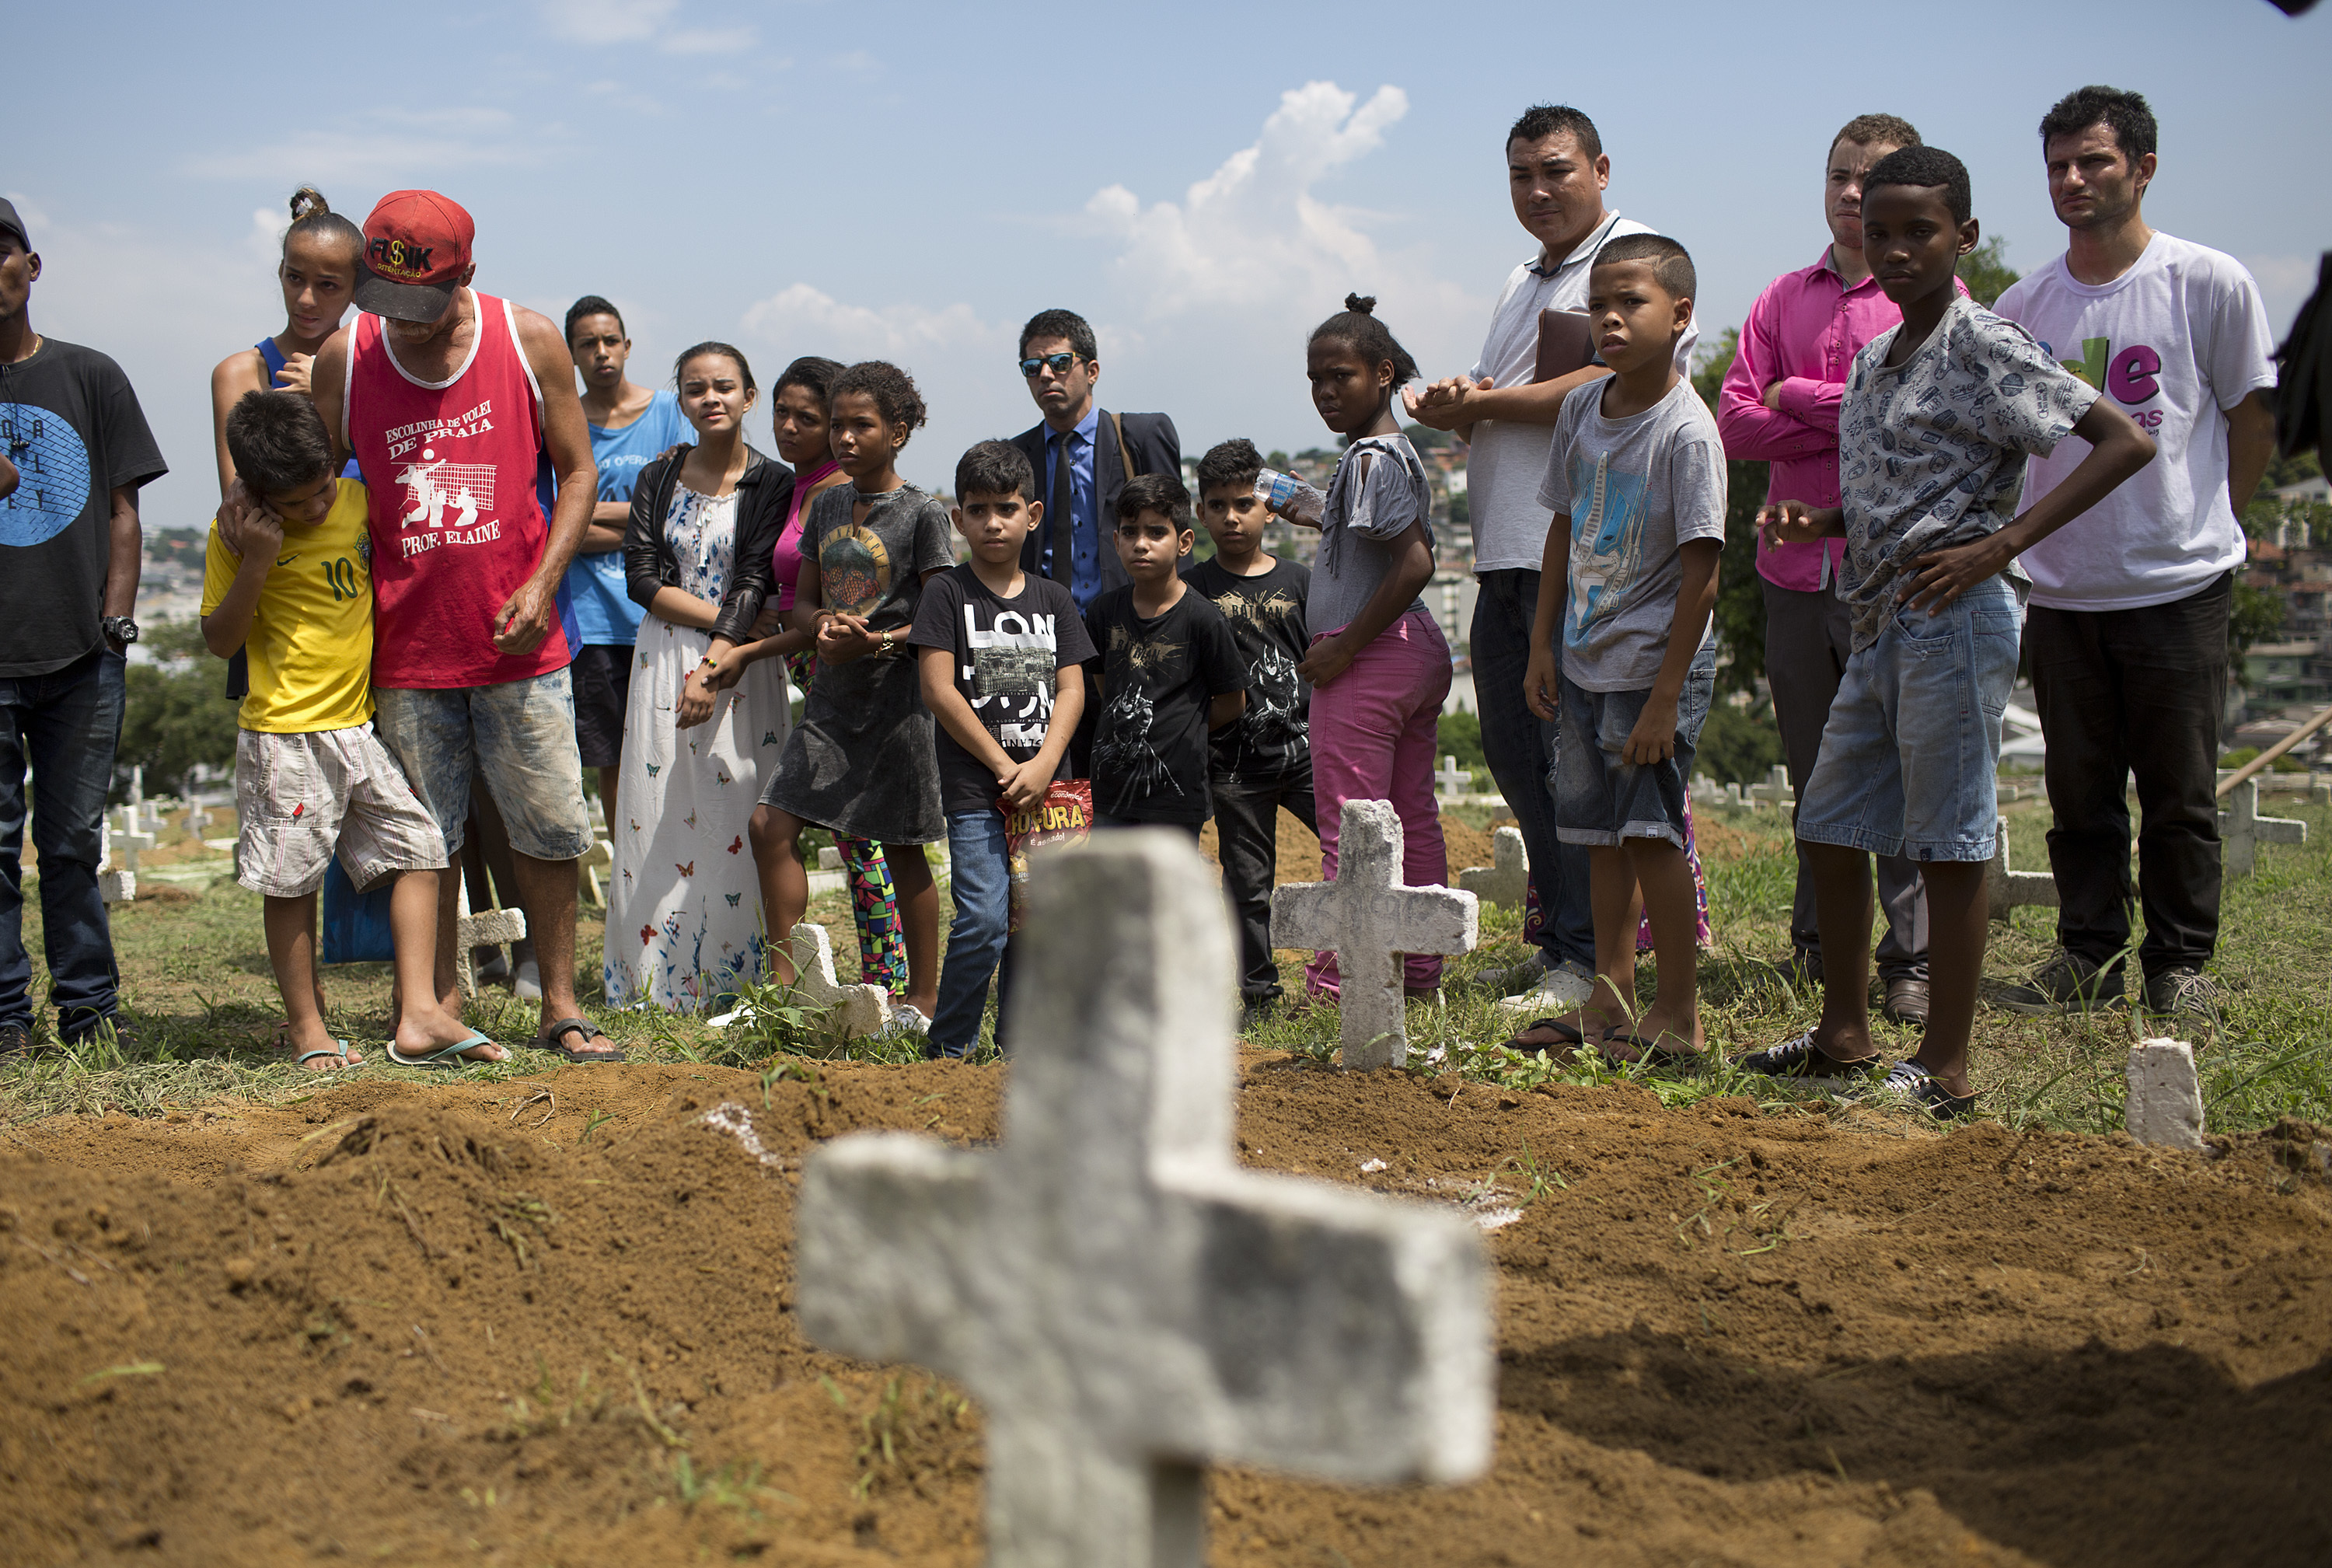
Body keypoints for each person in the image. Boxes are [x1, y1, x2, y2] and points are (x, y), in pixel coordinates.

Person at [1746, 147, 2156, 1118]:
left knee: (1948, 838)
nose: (1893, 250)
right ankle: (1844, 1034)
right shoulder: (1881, 361)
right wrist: (1827, 522)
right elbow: (1906, 486)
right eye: (1878, 231)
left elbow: (2125, 440)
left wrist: (2001, 546)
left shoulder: (1984, 342)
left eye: (1919, 231)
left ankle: (1944, 1068)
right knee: (1830, 823)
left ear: (1962, 237)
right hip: (1880, 612)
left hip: (1954, 618)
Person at [1992, 86, 2279, 1029]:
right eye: (2059, 165)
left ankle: (2180, 963)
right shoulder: (2023, 304)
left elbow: (2251, 418)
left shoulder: (2207, 281)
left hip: (2177, 582)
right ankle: (2085, 953)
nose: (2073, 180)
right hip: (2064, 591)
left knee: (2179, 793)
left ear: (2143, 169)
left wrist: (2216, 521)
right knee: (2078, 793)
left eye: (2095, 162)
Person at [309, 189, 619, 1063]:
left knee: (550, 826)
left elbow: (579, 473)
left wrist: (542, 580)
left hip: (521, 644)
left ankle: (560, 1003)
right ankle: (436, 1005)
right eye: (386, 304)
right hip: (406, 651)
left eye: (421, 306)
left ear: (467, 277)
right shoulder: (348, 353)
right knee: (424, 839)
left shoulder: (526, 339)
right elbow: (319, 484)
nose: (401, 325)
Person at [1405, 104, 1697, 1021]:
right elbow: (1521, 393)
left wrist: (1489, 404)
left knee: (1578, 769)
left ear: (1601, 168)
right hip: (1508, 547)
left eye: (1557, 171)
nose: (1539, 192)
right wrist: (1465, 401)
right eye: (1522, 176)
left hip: (1585, 557)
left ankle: (1590, 959)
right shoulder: (1521, 278)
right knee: (1520, 755)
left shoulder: (1636, 257)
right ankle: (1562, 941)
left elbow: (1601, 382)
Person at [1718, 115, 1952, 1028]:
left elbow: (1914, 423)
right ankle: (1818, 946)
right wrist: (1853, 401)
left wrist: (1800, 396)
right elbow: (1738, 424)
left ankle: (1910, 959)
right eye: (1840, 175)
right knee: (1814, 771)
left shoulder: (1930, 295)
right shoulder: (1782, 296)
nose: (1853, 193)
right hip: (1788, 572)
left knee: (1895, 767)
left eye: (1874, 177)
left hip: (1888, 571)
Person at [199, 391, 501, 1069]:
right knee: (292, 881)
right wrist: (254, 560)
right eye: (299, 501)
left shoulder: (359, 502)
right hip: (284, 735)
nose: (318, 508)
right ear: (257, 491)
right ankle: (309, 1028)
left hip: (357, 728)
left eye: (322, 489)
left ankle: (420, 1013)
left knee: (422, 848)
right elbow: (220, 640)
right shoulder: (236, 534)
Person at [1515, 235, 1724, 1064]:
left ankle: (1678, 1011)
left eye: (1630, 302)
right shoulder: (1580, 409)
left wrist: (1668, 695)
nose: (1609, 318)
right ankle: (1608, 998)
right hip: (1583, 656)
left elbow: (1704, 575)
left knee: (1651, 835)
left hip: (1652, 668)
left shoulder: (1688, 433)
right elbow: (1562, 527)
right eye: (1599, 303)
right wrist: (1542, 644)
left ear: (1679, 316)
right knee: (1598, 835)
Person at [0, 197, 164, 1055]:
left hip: (81, 650)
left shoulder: (90, 375)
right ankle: (5, 1021)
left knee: (70, 841)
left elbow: (124, 510)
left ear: (32, 267)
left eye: (4, 252)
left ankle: (90, 1010)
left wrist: (117, 619)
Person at [754, 362, 952, 1032]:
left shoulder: (923, 514)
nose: (844, 437)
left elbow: (938, 617)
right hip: (831, 703)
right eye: (837, 423)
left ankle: (922, 1000)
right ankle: (786, 992)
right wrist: (820, 627)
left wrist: (875, 642)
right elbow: (805, 601)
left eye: (861, 425)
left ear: (898, 431)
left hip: (897, 706)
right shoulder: (829, 506)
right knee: (769, 826)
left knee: (900, 846)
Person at [707, 356, 910, 996]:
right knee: (836, 831)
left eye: (810, 418)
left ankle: (890, 979)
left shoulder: (837, 497)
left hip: (841, 669)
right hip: (804, 663)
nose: (790, 427)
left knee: (860, 834)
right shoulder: (792, 487)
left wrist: (745, 652)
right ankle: (819, 983)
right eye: (782, 413)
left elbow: (844, 610)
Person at [1268, 295, 1449, 1001]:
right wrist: (1319, 507)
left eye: (1340, 376)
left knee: (1354, 821)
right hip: (1416, 652)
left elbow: (1415, 562)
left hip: (1370, 659)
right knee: (1410, 815)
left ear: (1382, 373)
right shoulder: (1384, 453)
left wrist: (1342, 652)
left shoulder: (1371, 457)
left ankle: (1342, 981)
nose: (1324, 392)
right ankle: (1421, 968)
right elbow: (1377, 542)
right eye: (1315, 379)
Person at [606, 343, 791, 1011]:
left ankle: (735, 979)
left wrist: (718, 660)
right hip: (664, 658)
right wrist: (733, 628)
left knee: (734, 808)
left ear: (748, 396)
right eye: (694, 389)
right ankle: (653, 982)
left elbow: (755, 575)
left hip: (742, 668)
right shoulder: (658, 475)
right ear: (680, 400)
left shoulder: (773, 482)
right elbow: (642, 580)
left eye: (723, 386)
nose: (709, 398)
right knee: (656, 811)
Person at [909, 441, 1092, 1059]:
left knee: (1034, 927)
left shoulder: (1055, 599)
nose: (993, 522)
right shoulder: (946, 595)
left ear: (1032, 515)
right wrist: (1004, 765)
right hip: (975, 788)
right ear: (956, 519)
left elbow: (1073, 688)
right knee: (986, 920)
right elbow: (938, 689)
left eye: (1006, 508)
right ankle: (950, 1048)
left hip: (1049, 793)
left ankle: (1019, 1047)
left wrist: (1042, 766)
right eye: (978, 509)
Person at [1188, 437, 1317, 1030]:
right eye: (1218, 505)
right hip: (1232, 764)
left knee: (1355, 855)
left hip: (1308, 752)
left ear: (1269, 508)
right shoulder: (1191, 590)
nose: (1232, 517)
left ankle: (1355, 970)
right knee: (1247, 883)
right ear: (1200, 512)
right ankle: (1260, 996)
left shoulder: (1301, 580)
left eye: (1244, 503)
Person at [565, 295, 692, 825]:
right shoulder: (563, 422)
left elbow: (681, 512)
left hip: (662, 613)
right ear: (571, 354)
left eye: (609, 340)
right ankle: (626, 876)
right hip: (591, 621)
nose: (601, 353)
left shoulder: (669, 412)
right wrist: (645, 512)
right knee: (612, 760)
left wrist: (594, 514)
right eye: (587, 344)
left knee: (673, 750)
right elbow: (562, 529)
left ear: (628, 346)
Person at [1084, 473, 1245, 833]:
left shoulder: (1204, 618)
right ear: (1116, 540)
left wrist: (1182, 731)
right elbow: (1104, 685)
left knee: (1168, 890)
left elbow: (1233, 701)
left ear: (1184, 542)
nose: (1141, 544)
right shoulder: (1102, 612)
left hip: (1175, 792)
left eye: (1156, 532)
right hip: (1111, 789)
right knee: (1110, 887)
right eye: (1130, 532)